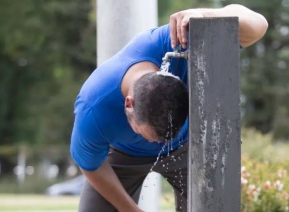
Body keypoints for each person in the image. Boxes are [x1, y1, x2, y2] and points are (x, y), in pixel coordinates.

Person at [70, 4, 268, 212]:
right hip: (124, 154)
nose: (158, 145)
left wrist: (206, 15)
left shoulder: (179, 42)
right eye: (150, 136)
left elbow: (259, 26)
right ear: (128, 104)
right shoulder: (93, 109)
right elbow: (91, 166)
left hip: (185, 148)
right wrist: (130, 209)